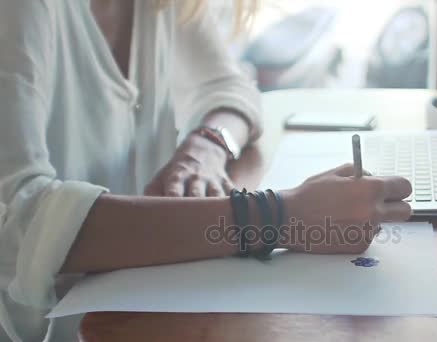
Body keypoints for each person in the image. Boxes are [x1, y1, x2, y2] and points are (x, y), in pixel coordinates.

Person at [0, 0, 412, 341]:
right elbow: (22, 224)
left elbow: (231, 87)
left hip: (125, 301)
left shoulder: (156, 6)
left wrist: (207, 145)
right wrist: (279, 218)